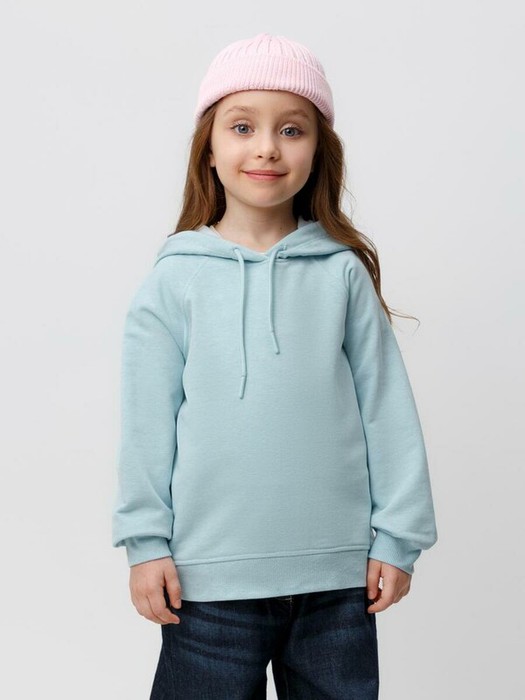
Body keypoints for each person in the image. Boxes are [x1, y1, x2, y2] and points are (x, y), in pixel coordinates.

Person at [111, 32, 438, 699]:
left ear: (318, 151)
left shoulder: (340, 275)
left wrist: (398, 539)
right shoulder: (173, 281)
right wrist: (145, 544)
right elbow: (147, 426)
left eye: (291, 129)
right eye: (242, 127)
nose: (266, 147)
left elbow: (387, 409)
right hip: (206, 585)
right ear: (208, 147)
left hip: (336, 585)